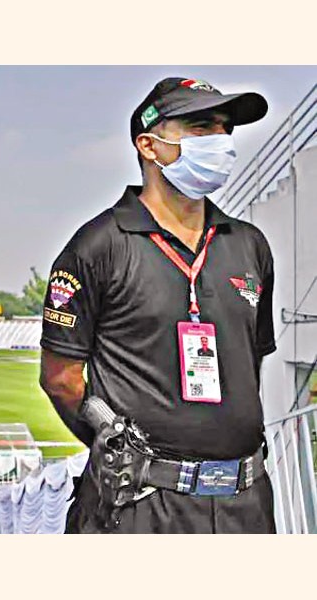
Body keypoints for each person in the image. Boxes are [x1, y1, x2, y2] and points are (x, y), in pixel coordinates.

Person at [39, 77, 276, 534]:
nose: (221, 140)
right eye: (201, 127)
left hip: (246, 501)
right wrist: (118, 451)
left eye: (225, 128)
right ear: (149, 145)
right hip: (141, 503)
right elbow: (60, 378)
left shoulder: (249, 245)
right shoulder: (99, 245)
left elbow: (250, 365)